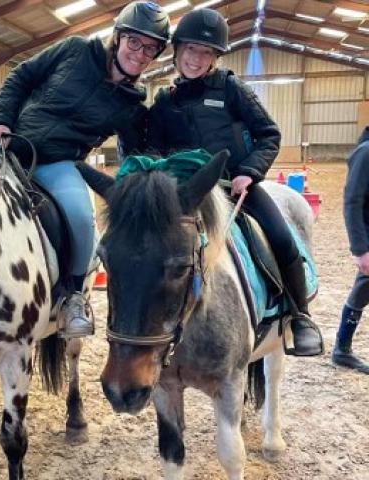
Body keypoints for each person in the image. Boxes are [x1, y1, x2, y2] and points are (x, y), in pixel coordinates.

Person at [145, 8, 323, 356]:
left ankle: (300, 315)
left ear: (215, 57)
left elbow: (268, 133)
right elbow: (153, 146)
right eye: (191, 50)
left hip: (235, 186)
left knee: (282, 238)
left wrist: (250, 172)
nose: (196, 59)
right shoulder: (165, 101)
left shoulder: (230, 88)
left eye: (206, 52)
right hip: (187, 195)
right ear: (177, 50)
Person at [0, 1, 170, 338]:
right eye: (134, 42)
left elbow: (137, 153)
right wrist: (0, 121)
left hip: (58, 165)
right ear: (117, 37)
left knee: (82, 219)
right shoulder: (73, 50)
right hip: (11, 145)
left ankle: (72, 296)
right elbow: (21, 78)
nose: (140, 53)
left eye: (150, 49)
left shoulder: (131, 107)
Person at [333, 126, 369, 373]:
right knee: (362, 290)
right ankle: (342, 350)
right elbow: (352, 201)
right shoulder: (366, 153)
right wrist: (360, 249)